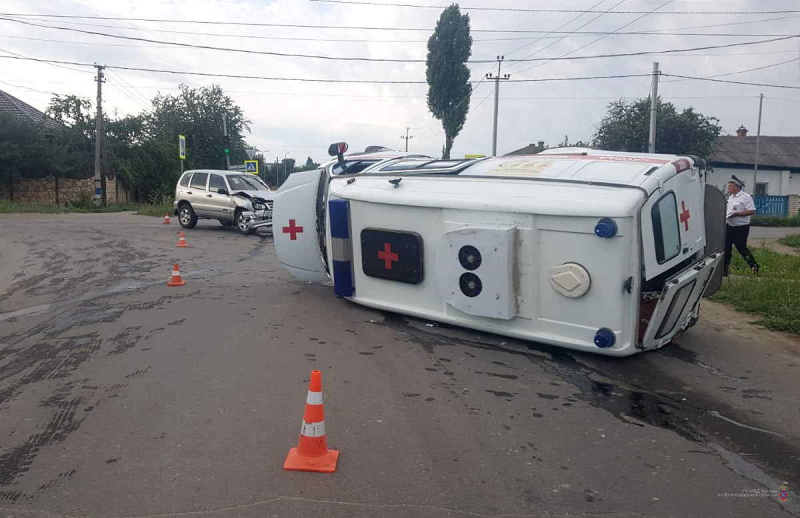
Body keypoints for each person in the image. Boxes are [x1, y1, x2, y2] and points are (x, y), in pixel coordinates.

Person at [724, 175, 760, 276]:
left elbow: (752, 211)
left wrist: (737, 214)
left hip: (741, 227)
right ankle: (724, 269)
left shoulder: (745, 197)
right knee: (726, 248)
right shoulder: (731, 197)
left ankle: (754, 265)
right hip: (729, 225)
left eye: (730, 186)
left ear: (736, 186)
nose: (728, 188)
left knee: (741, 248)